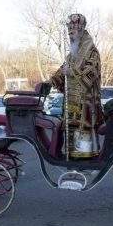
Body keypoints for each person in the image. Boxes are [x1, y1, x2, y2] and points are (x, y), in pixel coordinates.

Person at [47, 13, 104, 159]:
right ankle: (73, 156)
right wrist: (51, 81)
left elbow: (92, 72)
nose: (70, 35)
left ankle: (85, 157)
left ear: (82, 31)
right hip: (71, 102)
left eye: (74, 32)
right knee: (71, 128)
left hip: (86, 101)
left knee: (83, 128)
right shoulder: (71, 54)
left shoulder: (92, 51)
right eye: (69, 32)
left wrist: (72, 72)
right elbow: (62, 71)